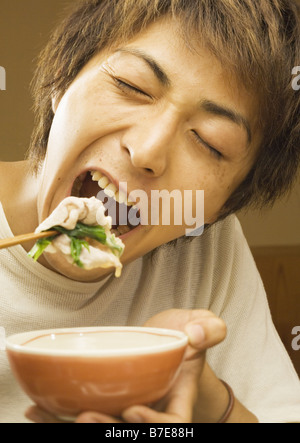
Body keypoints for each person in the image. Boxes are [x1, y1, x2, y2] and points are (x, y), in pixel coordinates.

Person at [0, 0, 300, 423]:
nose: (148, 150)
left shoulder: (205, 248)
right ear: (60, 82)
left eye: (210, 141)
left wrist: (207, 406)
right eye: (132, 85)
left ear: (220, 208)